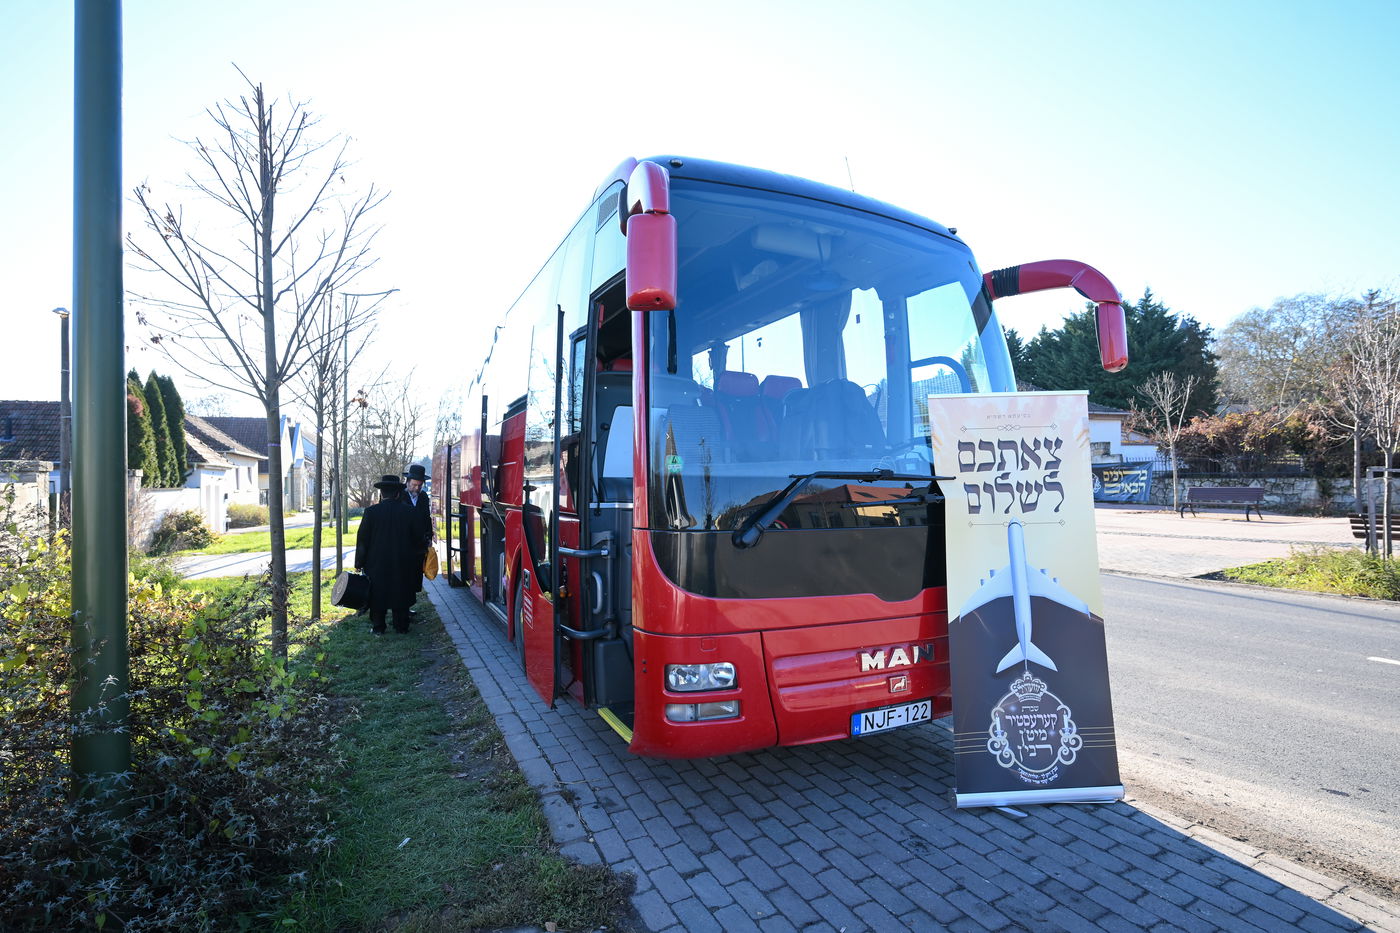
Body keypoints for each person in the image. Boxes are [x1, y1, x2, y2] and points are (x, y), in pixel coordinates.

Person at [355, 474, 430, 634]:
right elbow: (419, 539)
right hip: (403, 562)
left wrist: (359, 563)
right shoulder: (410, 513)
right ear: (398, 494)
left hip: (376, 563)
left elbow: (362, 540)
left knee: (377, 594)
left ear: (381, 494)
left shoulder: (370, 512)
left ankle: (378, 627)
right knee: (401, 592)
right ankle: (401, 626)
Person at [403, 463, 434, 605]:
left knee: (416, 577)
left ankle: (409, 605)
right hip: (404, 543)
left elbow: (427, 518)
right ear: (407, 482)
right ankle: (404, 607)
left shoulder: (423, 497)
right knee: (404, 577)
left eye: (420, 486)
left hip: (419, 544)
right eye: (414, 485)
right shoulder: (400, 496)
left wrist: (429, 536)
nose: (417, 488)